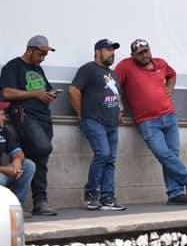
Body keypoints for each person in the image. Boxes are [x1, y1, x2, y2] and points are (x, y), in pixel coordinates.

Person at [114, 39, 187, 205]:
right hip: (147, 121)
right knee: (163, 154)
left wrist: (169, 90)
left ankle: (175, 194)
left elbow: (172, 75)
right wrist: (118, 107)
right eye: (140, 53)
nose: (144, 55)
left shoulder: (160, 63)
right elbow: (113, 86)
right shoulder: (125, 66)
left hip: (169, 116)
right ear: (133, 54)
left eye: (146, 51)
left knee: (172, 154)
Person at [0, 35, 58, 216]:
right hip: (26, 117)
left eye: (45, 55)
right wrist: (35, 94)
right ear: (29, 49)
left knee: (40, 158)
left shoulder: (38, 69)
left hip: (43, 117)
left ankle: (40, 201)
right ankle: (22, 201)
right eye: (40, 54)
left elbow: (43, 89)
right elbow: (7, 92)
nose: (42, 58)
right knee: (42, 148)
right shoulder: (13, 66)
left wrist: (49, 94)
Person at [68, 39, 126, 211]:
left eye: (113, 50)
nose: (112, 53)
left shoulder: (112, 74)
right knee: (103, 154)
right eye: (108, 50)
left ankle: (108, 197)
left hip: (112, 122)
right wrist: (81, 114)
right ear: (98, 51)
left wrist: (120, 111)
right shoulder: (88, 69)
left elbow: (117, 95)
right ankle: (91, 194)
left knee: (111, 160)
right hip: (94, 120)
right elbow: (73, 90)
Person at [0, 106, 35, 216]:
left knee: (28, 165)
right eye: (1, 114)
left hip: (3, 172)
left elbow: (18, 152)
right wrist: (6, 170)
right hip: (2, 173)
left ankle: (15, 209)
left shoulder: (3, 131)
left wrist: (17, 161)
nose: (4, 118)